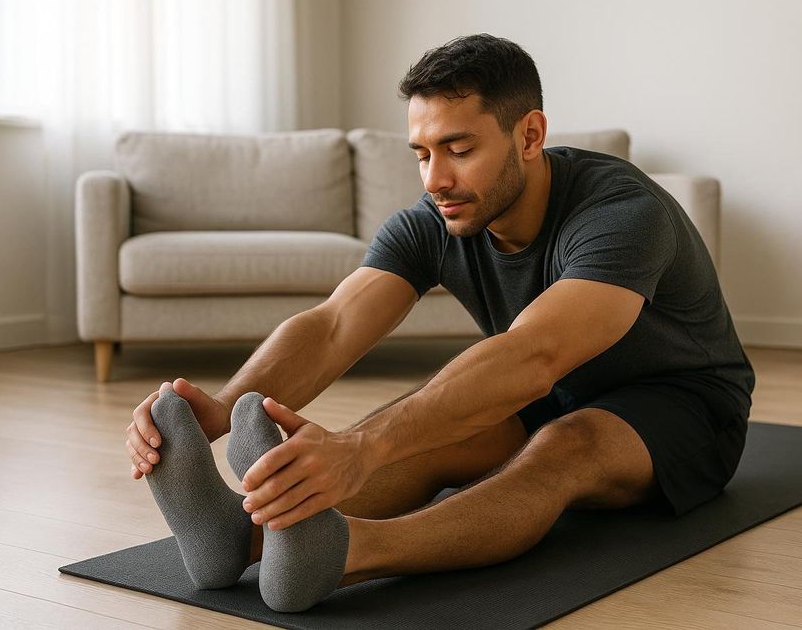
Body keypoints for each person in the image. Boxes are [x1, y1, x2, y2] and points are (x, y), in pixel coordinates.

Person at [125, 33, 755, 611]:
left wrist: (361, 451)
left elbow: (536, 354)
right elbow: (335, 324)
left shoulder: (623, 213)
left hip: (687, 407)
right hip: (549, 392)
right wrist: (225, 405)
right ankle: (242, 538)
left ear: (530, 135)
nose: (436, 179)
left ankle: (348, 552)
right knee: (430, 425)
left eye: (459, 149)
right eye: (422, 153)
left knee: (566, 444)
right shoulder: (437, 217)